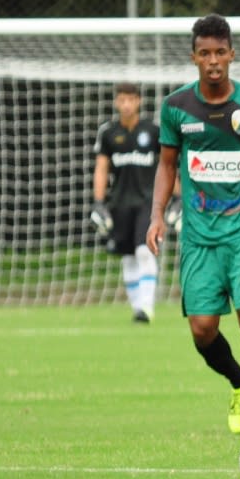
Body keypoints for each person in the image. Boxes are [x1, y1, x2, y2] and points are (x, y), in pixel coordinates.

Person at [146, 13, 240, 438]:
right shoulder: (177, 107)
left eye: (220, 52)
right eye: (205, 53)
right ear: (194, 57)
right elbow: (166, 165)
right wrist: (157, 215)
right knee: (202, 329)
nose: (213, 61)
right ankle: (239, 383)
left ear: (232, 54)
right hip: (197, 237)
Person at [91, 82, 163, 323]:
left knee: (144, 250)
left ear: (139, 101)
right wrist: (99, 203)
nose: (126, 104)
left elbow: (167, 166)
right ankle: (137, 309)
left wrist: (175, 199)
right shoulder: (108, 132)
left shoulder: (153, 131)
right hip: (119, 203)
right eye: (121, 100)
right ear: (116, 102)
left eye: (130, 100)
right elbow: (101, 169)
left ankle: (146, 307)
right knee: (128, 256)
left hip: (148, 203)